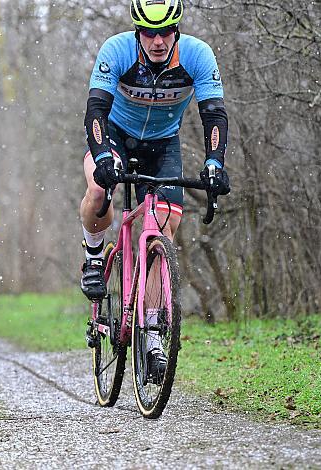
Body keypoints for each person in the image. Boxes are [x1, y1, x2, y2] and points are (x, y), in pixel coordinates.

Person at [79, 0, 230, 377]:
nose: (158, 41)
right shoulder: (117, 51)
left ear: (177, 30)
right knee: (99, 193)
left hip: (162, 144)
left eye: (165, 32)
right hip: (114, 135)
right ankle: (95, 257)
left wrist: (214, 164)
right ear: (137, 31)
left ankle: (151, 335)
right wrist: (102, 157)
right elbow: (95, 111)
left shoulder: (197, 55)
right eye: (149, 33)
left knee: (163, 230)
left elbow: (213, 114)